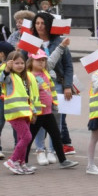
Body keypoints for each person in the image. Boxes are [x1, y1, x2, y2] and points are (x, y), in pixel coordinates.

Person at [29, 12, 74, 162]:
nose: (40, 26)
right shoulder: (31, 41)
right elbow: (23, 62)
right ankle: (40, 149)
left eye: (43, 23)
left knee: (57, 119)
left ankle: (52, 150)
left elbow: (68, 65)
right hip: (36, 85)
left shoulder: (58, 41)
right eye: (37, 23)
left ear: (49, 25)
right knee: (39, 119)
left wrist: (68, 85)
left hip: (57, 85)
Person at [27, 48, 76, 169]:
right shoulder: (29, 76)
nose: (41, 63)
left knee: (56, 135)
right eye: (38, 60)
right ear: (31, 61)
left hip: (48, 112)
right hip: (37, 113)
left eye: (43, 60)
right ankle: (23, 160)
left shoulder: (45, 73)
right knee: (29, 138)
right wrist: (32, 112)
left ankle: (63, 160)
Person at [1, 50, 40, 175]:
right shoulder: (9, 77)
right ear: (10, 63)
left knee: (21, 138)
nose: (20, 65)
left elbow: (28, 97)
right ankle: (12, 160)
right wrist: (7, 68)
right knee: (27, 137)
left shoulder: (25, 78)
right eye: (16, 63)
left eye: (22, 63)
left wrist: (33, 112)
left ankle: (21, 162)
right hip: (15, 114)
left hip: (25, 113)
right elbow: (2, 78)